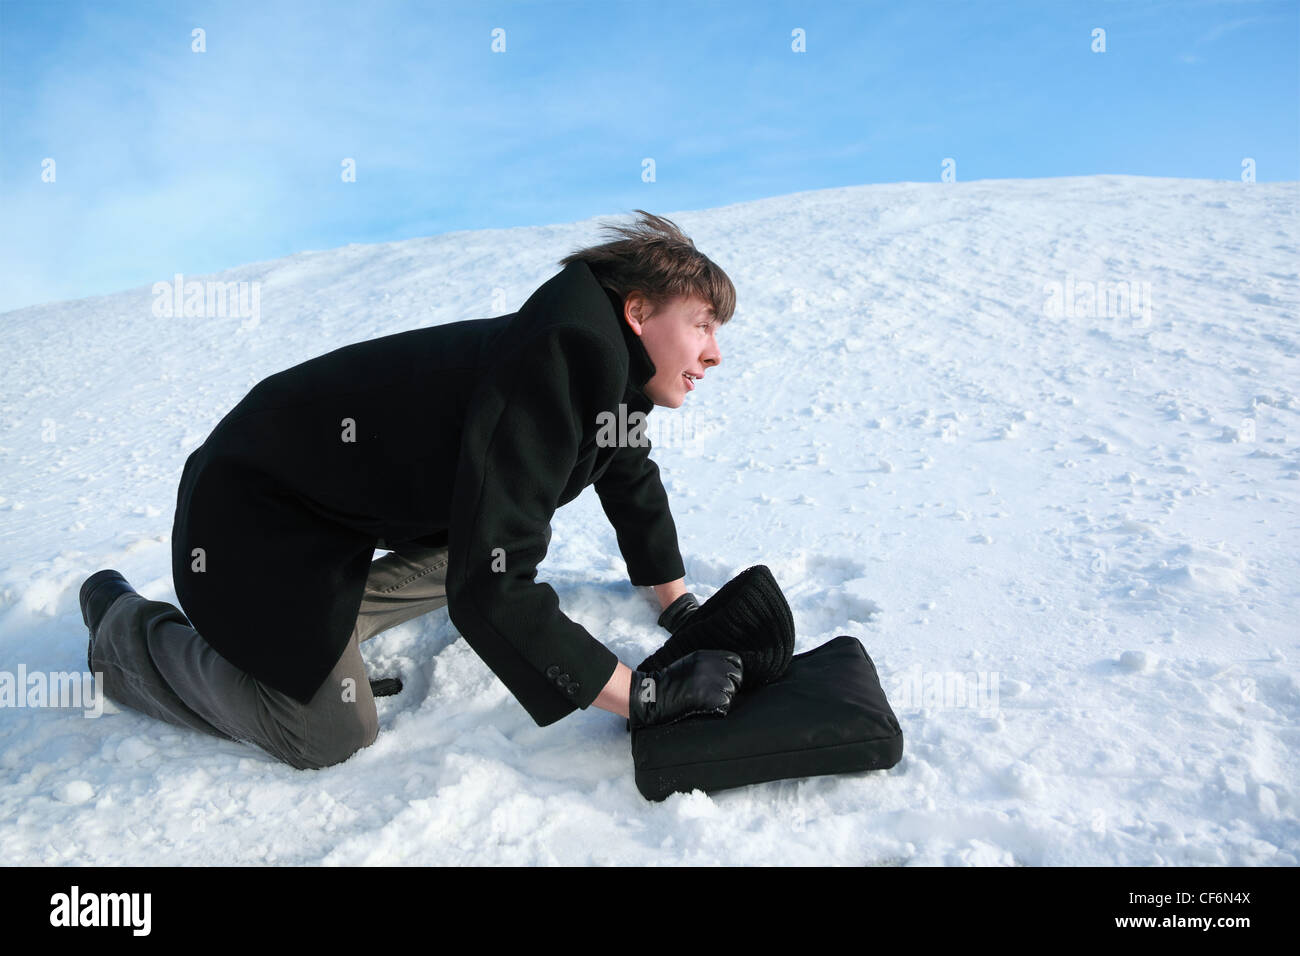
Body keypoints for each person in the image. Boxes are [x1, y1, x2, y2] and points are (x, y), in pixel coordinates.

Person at [78, 210, 746, 770]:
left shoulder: (604, 377)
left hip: (329, 516)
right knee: (328, 735)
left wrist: (675, 601)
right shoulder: (551, 370)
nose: (715, 352)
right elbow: (495, 589)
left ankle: (332, 629)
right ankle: (128, 635)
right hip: (251, 517)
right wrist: (644, 696)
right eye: (703, 324)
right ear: (636, 311)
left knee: (491, 535)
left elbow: (629, 475)